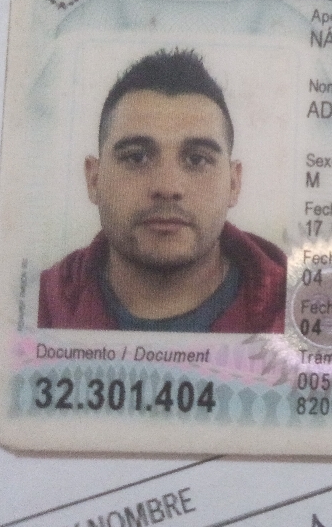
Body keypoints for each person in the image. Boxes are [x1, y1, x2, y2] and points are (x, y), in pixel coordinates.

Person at [38, 49, 286, 333]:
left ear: (233, 183)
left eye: (197, 159)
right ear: (94, 179)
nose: (167, 187)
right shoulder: (38, 305)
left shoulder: (298, 310)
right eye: (136, 157)